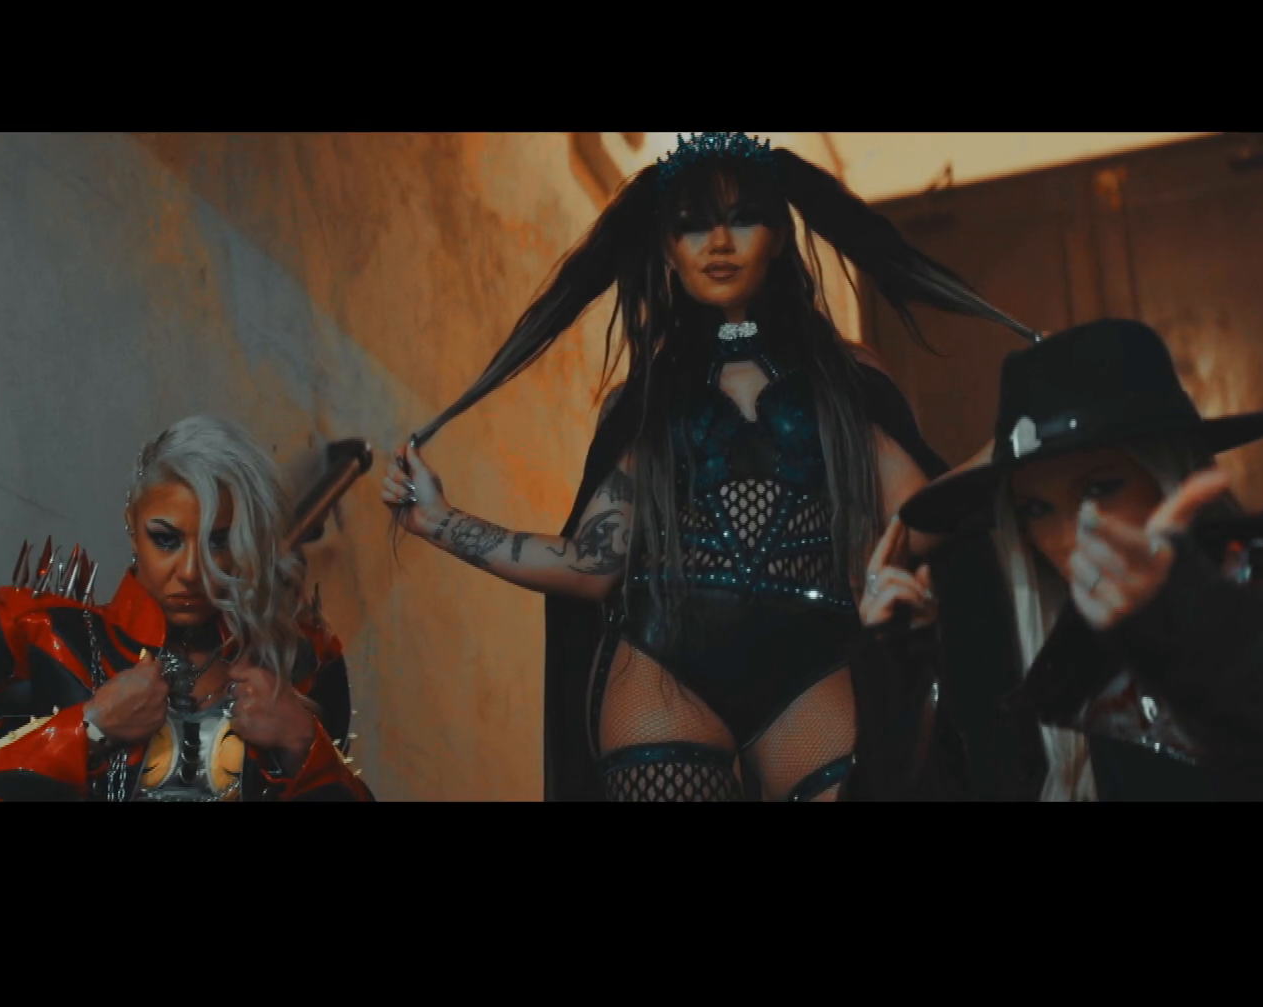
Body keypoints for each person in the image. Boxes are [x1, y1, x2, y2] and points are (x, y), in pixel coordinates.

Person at [379, 133, 1036, 801]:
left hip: (815, 666)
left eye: (742, 219)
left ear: (779, 237)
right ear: (667, 248)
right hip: (664, 672)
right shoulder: (643, 400)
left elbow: (914, 523)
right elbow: (592, 563)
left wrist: (1018, 441)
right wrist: (439, 521)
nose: (718, 242)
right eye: (692, 225)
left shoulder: (845, 377)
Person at [872, 319, 1263, 800]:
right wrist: (899, 680)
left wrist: (1178, 622)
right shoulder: (1037, 651)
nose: (1068, 534)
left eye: (1101, 486)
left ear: (1169, 476)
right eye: (1034, 508)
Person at [0, 415, 374, 801]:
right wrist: (89, 728)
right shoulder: (36, 634)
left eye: (219, 542)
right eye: (166, 539)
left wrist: (301, 744)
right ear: (132, 523)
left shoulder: (299, 660)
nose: (191, 571)